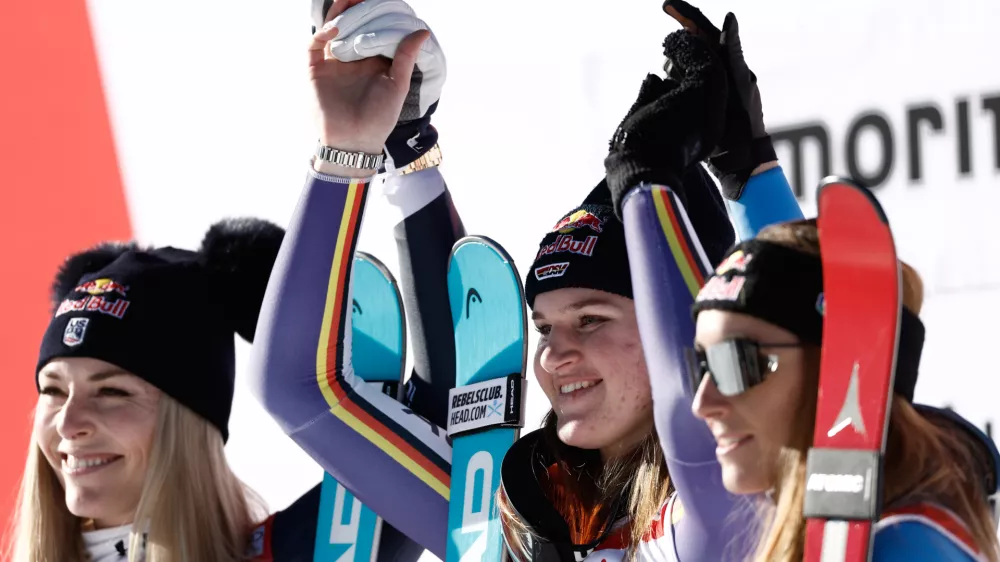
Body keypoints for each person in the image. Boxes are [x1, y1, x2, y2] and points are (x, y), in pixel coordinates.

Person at [688, 218, 1000, 561]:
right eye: (701, 365)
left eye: (735, 362)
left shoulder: (904, 549)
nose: (702, 403)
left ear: (842, 368)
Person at [7, 218, 285, 562]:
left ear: (188, 419)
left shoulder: (310, 546)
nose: (67, 423)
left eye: (111, 392)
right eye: (53, 391)